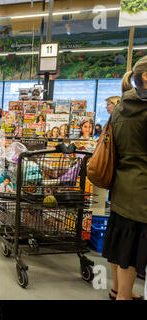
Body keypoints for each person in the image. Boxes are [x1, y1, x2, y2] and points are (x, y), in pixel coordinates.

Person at [102, 55, 147, 301]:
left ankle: (119, 290)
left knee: (120, 242)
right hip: (142, 192)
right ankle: (123, 296)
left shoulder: (118, 109)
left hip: (120, 187)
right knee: (132, 250)